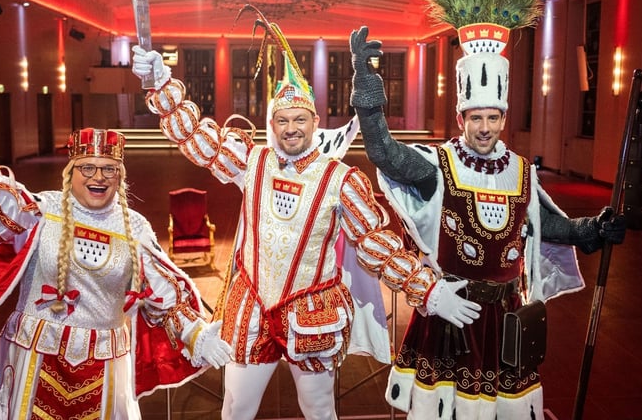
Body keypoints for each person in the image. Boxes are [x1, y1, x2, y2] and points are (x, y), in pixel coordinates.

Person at [131, 30, 481, 420]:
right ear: (272, 123)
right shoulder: (251, 161)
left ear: (315, 122)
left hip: (312, 313)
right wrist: (162, 86)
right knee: (236, 409)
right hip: (252, 307)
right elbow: (197, 137)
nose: (291, 127)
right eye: (282, 120)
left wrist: (429, 291)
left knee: (317, 409)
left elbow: (377, 244)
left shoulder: (340, 179)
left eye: (300, 119)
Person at [0, 92, 232, 420]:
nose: (97, 177)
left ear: (119, 178)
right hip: (34, 364)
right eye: (87, 167)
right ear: (71, 172)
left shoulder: (134, 227)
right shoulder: (39, 211)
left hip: (106, 373)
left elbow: (163, 298)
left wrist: (197, 334)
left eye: (108, 170)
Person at [349, 26, 626, 420]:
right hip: (451, 317)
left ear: (503, 117)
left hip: (505, 319)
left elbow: (547, 225)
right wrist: (367, 86)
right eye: (475, 117)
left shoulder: (521, 171)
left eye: (492, 117)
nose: (484, 127)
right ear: (461, 117)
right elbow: (383, 152)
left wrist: (591, 230)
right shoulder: (437, 169)